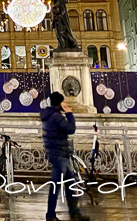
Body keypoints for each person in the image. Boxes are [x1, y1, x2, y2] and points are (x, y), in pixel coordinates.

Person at [41, 92, 88, 221]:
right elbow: (71, 129)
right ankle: (51, 215)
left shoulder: (48, 116)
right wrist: (68, 113)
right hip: (60, 155)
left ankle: (74, 212)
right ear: (60, 103)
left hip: (57, 154)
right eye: (63, 102)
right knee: (57, 186)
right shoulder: (57, 117)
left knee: (69, 185)